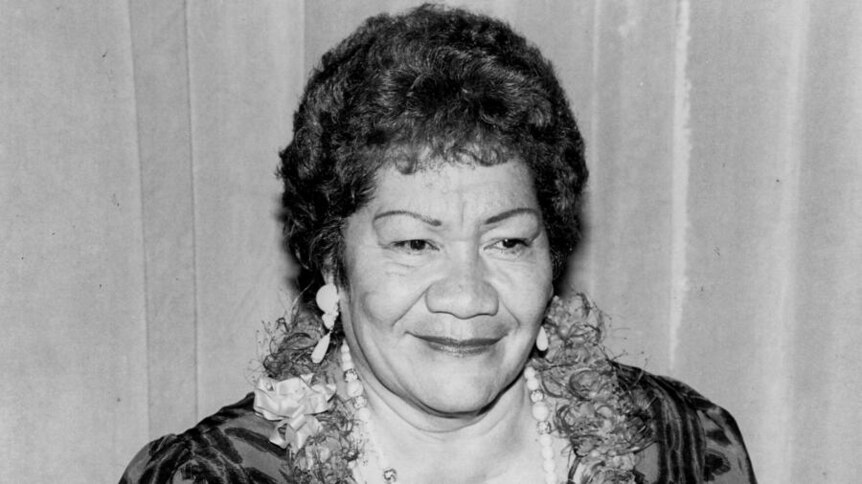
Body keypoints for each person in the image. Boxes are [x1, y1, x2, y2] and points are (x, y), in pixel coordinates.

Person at [121, 5, 756, 483]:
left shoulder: (685, 449)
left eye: (507, 241)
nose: (467, 296)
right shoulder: (211, 475)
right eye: (416, 244)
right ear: (331, 264)